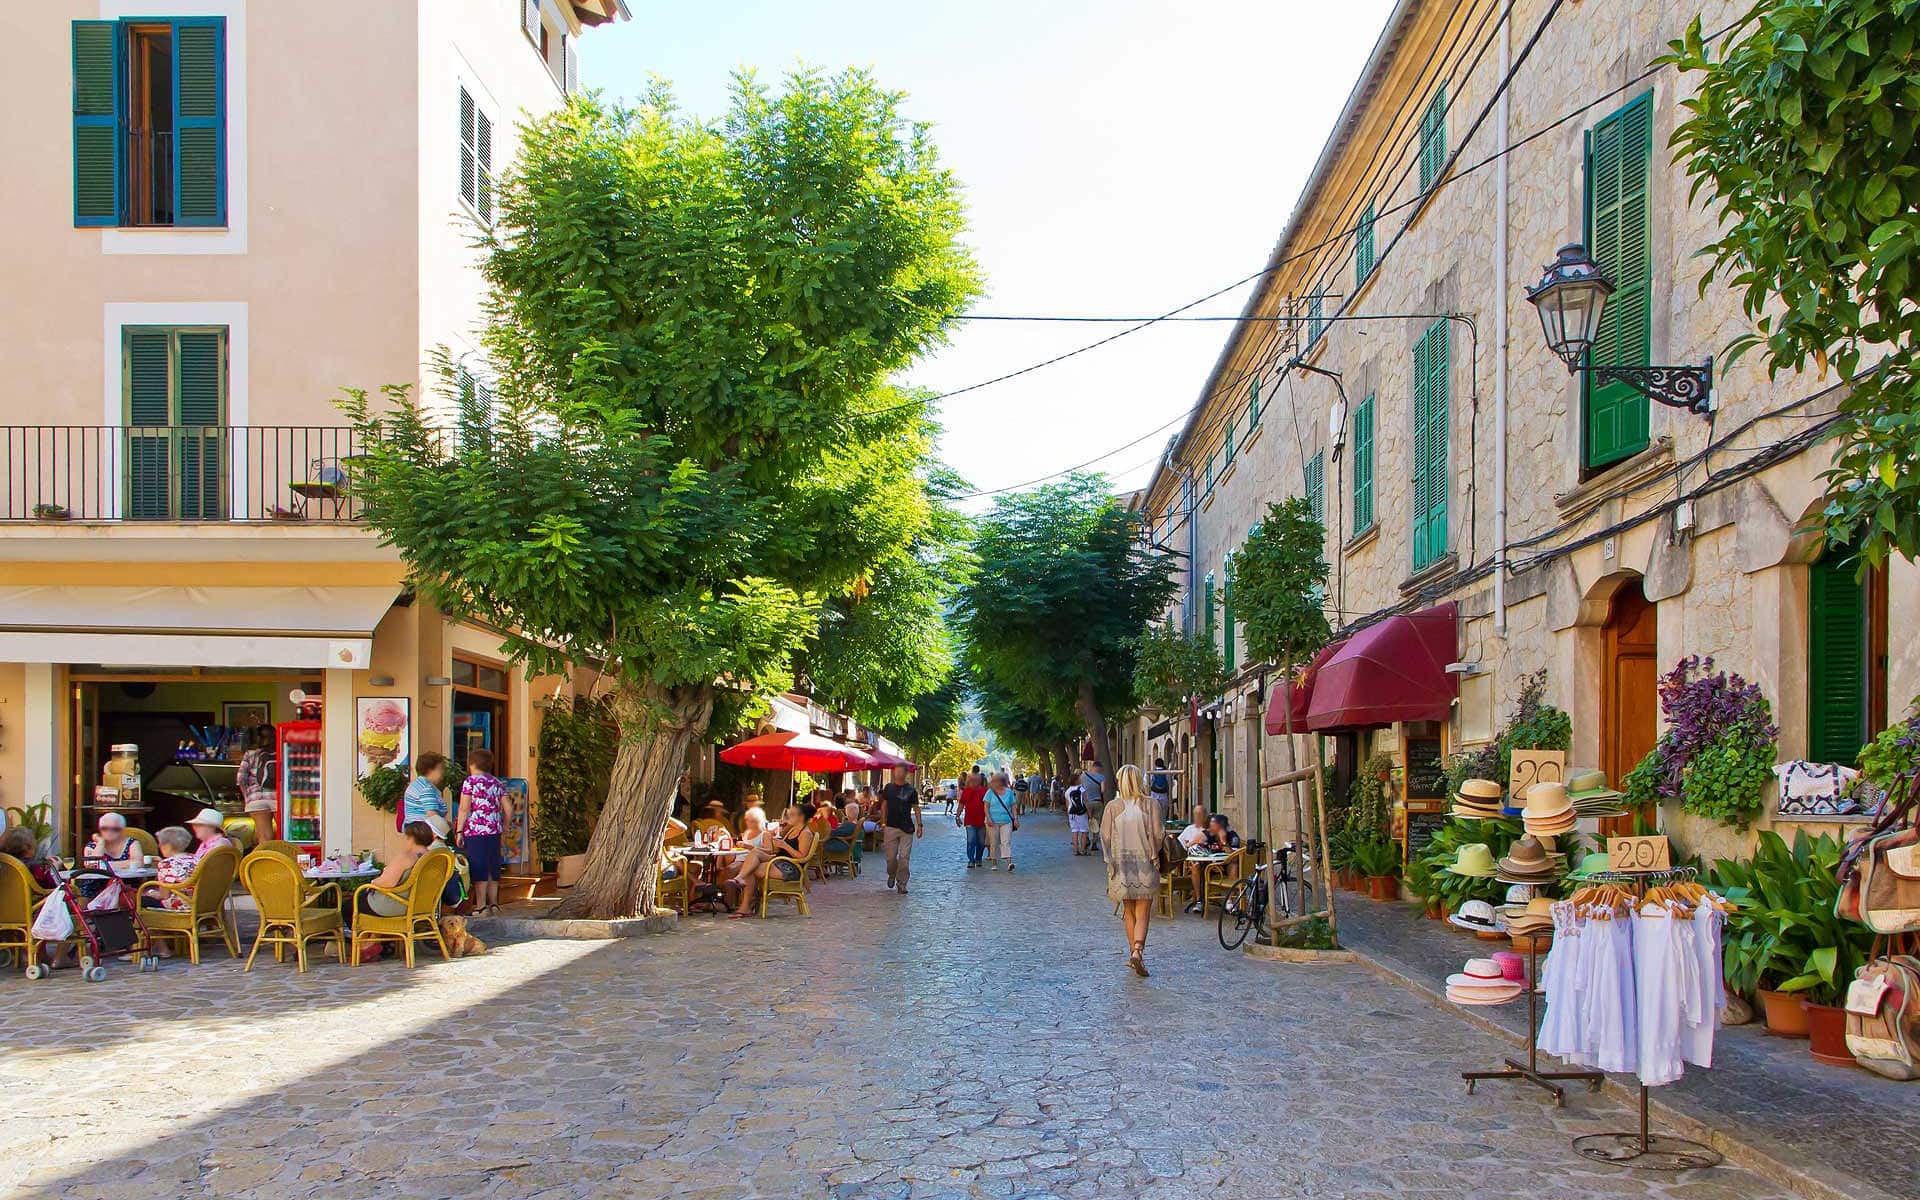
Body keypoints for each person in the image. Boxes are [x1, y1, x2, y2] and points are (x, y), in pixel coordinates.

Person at [1101, 764, 1161, 976]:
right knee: (1144, 910)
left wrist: (1110, 859)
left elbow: (1105, 836)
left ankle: (1133, 952)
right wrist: (1155, 852)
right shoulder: (1151, 805)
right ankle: (1138, 950)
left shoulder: (1112, 807)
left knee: (1128, 910)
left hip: (1121, 864)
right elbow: (1157, 834)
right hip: (1144, 862)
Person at [728, 803, 814, 917]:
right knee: (754, 853)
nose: (788, 817)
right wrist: (777, 843)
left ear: (801, 817)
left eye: (792, 815)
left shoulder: (805, 833)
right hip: (779, 861)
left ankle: (745, 905)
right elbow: (780, 849)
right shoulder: (792, 829)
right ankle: (740, 880)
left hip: (790, 868)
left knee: (750, 869)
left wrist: (784, 845)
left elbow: (802, 857)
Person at [454, 747, 511, 916]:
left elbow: (464, 809)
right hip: (494, 831)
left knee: (479, 867)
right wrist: (505, 826)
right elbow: (508, 809)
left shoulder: (470, 782)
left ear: (471, 764)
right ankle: (494, 904)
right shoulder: (496, 783)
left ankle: (481, 906)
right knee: (493, 866)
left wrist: (459, 831)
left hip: (475, 831)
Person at [360, 821, 435, 918]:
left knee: (349, 905)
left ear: (411, 838)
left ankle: (369, 931)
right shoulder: (433, 857)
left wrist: (373, 882)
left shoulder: (406, 857)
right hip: (423, 907)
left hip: (398, 905)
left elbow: (388, 883)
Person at [1185, 811, 1242, 913]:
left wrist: (1224, 842)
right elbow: (1189, 845)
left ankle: (1230, 901)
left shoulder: (1232, 836)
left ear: (1221, 827)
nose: (1210, 828)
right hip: (1208, 866)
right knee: (1195, 866)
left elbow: (1235, 857)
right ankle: (1199, 901)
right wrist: (1195, 841)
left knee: (1234, 866)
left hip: (1225, 866)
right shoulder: (1208, 834)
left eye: (1213, 826)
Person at [878, 766, 923, 894]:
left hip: (906, 828)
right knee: (891, 858)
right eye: (896, 771)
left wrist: (920, 825)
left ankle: (902, 883)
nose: (897, 773)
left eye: (900, 771)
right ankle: (892, 874)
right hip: (891, 826)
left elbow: (916, 808)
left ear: (905, 773)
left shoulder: (911, 790)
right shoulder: (889, 788)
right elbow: (884, 805)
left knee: (904, 857)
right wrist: (883, 822)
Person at [82, 812, 146, 876]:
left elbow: (138, 863)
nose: (109, 832)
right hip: (97, 883)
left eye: (115, 829)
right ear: (100, 829)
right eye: (105, 828)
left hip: (126, 882)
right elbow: (93, 867)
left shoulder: (132, 843)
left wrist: (105, 865)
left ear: (122, 830)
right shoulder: (91, 846)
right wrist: (101, 842)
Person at [402, 751, 449, 827]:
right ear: (430, 770)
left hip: (415, 829)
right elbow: (432, 815)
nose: (443, 772)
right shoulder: (426, 788)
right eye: (441, 768)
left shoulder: (417, 784)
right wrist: (447, 831)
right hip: (424, 831)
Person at [984, 770, 1019, 871]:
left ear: (1002, 781)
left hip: (1006, 821)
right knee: (993, 842)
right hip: (992, 822)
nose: (995, 783)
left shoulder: (1009, 792)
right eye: (994, 781)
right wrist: (989, 819)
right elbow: (986, 807)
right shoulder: (989, 792)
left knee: (1006, 842)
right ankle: (994, 863)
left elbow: (1013, 806)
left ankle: (1009, 862)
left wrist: (1015, 818)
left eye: (997, 781)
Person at [957, 772, 988, 868]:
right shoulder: (967, 791)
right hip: (970, 820)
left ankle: (978, 858)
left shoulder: (986, 791)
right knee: (971, 840)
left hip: (982, 821)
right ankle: (971, 860)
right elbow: (961, 804)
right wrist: (957, 816)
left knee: (981, 842)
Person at [1067, 783, 1091, 855]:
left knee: (1074, 831)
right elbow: (1086, 801)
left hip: (1071, 813)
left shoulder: (1067, 791)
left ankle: (1075, 850)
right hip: (1081, 813)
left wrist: (1068, 815)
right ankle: (1082, 850)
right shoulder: (1081, 789)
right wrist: (1090, 813)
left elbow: (1067, 804)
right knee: (1084, 831)